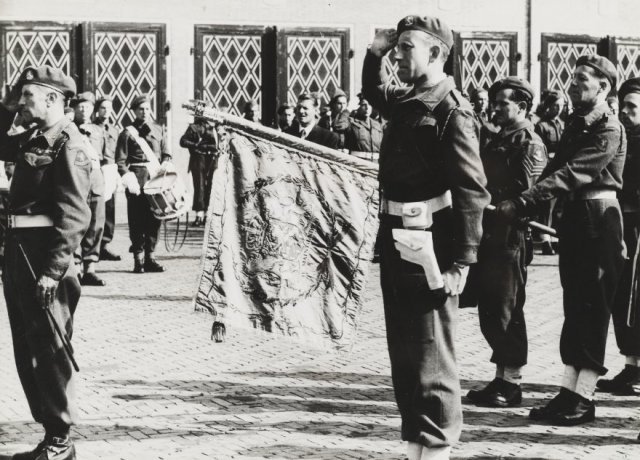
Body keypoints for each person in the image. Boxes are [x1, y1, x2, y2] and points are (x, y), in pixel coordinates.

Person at [363, 16, 490, 460]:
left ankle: (436, 451)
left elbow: (472, 191)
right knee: (407, 356)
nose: (398, 55)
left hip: (431, 245)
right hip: (399, 239)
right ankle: (417, 449)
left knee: (432, 356)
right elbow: (374, 92)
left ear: (436, 53)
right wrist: (375, 52)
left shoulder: (451, 110)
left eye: (406, 48)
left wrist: (462, 262)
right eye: (396, 47)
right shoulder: (408, 101)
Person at [495, 54, 626, 425]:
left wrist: (523, 201)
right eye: (573, 77)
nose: (573, 84)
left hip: (598, 221)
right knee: (575, 308)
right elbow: (553, 169)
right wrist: (525, 202)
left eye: (582, 79)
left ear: (603, 86)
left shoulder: (608, 127)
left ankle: (584, 397)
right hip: (577, 220)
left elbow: (573, 173)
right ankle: (568, 392)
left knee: (593, 309)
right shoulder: (578, 123)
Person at [0, 65, 92, 460]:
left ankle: (61, 440)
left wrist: (52, 272)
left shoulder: (69, 144)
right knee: (28, 349)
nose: (22, 104)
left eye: (28, 96)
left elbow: (75, 216)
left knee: (50, 349)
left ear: (52, 98)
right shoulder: (34, 138)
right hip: (20, 255)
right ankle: (50, 434)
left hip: (44, 261)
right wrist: (12, 104)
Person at [466, 77, 547, 408]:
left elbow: (530, 193)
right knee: (490, 308)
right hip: (489, 231)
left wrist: (499, 202)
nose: (495, 108)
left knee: (507, 308)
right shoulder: (499, 137)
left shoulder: (529, 143)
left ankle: (512, 383)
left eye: (503, 103)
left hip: (510, 234)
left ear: (522, 107)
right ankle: (500, 378)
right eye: (494, 103)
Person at [597, 77, 640, 395]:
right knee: (623, 297)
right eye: (622, 105)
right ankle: (632, 365)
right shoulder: (622, 137)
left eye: (632, 106)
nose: (624, 112)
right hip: (622, 225)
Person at [115, 94, 173, 273]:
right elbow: (120, 161)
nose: (144, 112)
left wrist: (165, 165)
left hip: (156, 180)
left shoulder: (159, 129)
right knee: (137, 220)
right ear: (134, 111)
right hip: (137, 181)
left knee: (155, 219)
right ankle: (138, 259)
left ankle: (150, 258)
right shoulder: (127, 133)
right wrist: (127, 177)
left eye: (147, 109)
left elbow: (166, 153)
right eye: (141, 109)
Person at [73, 91, 107, 286]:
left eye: (87, 106)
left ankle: (90, 267)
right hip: (76, 178)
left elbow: (106, 156)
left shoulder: (98, 131)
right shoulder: (68, 129)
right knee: (76, 221)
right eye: (80, 106)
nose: (84, 110)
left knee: (96, 223)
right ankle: (75, 266)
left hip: (95, 177)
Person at [535, 90, 566, 255]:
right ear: (549, 106)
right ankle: (545, 240)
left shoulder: (562, 124)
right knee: (547, 205)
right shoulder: (541, 126)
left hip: (561, 169)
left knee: (559, 206)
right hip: (548, 169)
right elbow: (539, 149)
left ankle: (555, 238)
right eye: (556, 105)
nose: (559, 109)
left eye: (561, 106)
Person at [93, 97, 122, 261]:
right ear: (97, 110)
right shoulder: (90, 128)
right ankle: (92, 246)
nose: (106, 111)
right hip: (96, 170)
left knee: (109, 209)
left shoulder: (115, 131)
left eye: (109, 108)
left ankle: (104, 245)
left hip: (110, 170)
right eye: (103, 108)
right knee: (95, 208)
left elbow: (118, 152)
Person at [179, 116, 218, 226]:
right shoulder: (194, 127)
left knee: (211, 187)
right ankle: (199, 215)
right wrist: (196, 145)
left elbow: (219, 144)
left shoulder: (215, 127)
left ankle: (207, 215)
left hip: (212, 159)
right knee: (199, 187)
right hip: (198, 159)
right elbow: (183, 141)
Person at [343, 96, 383, 161]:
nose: (367, 108)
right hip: (357, 162)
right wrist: (348, 109)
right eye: (364, 104)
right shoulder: (351, 122)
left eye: (370, 104)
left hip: (376, 163)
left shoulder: (378, 125)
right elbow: (338, 125)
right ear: (358, 106)